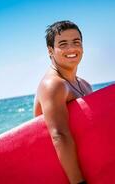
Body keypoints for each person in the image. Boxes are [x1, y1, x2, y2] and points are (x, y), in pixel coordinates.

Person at [33, 20, 92, 184]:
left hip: (90, 167)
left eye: (76, 42)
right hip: (66, 175)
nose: (71, 48)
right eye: (63, 44)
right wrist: (78, 182)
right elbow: (59, 135)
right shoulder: (53, 85)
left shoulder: (85, 84)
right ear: (50, 50)